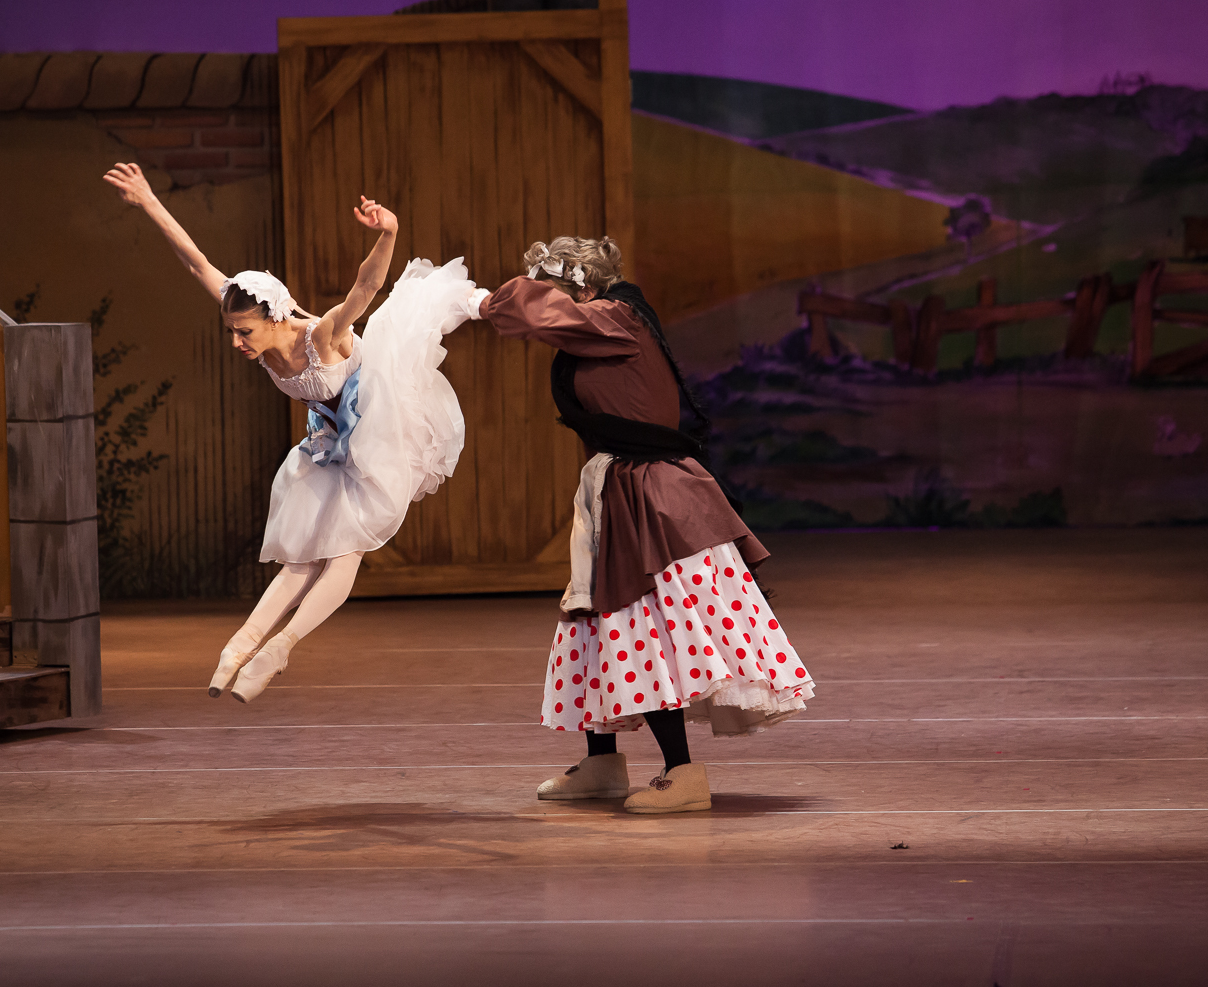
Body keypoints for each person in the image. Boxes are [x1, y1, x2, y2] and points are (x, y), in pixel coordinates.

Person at [102, 161, 482, 702]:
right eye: (231, 331)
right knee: (300, 556)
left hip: (378, 428)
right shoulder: (254, 327)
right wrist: (148, 201)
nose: (237, 343)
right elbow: (196, 262)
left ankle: (280, 647)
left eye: (244, 332)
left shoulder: (321, 337)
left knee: (345, 552)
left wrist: (389, 232)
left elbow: (366, 287)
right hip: (330, 436)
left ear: (274, 318)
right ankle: (241, 647)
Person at [477, 236, 815, 815]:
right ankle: (603, 762)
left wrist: (476, 302)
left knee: (646, 628)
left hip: (652, 496)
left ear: (583, 289)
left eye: (555, 289)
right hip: (619, 487)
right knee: (598, 620)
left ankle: (682, 773)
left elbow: (534, 311)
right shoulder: (601, 325)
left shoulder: (618, 316)